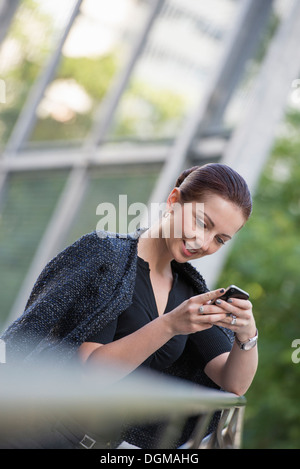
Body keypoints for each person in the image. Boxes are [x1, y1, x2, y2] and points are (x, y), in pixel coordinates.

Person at [1, 163, 258, 449]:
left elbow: (234, 383)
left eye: (220, 239)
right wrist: (170, 325)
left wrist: (247, 335)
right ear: (173, 201)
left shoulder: (188, 290)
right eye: (201, 222)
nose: (203, 242)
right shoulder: (107, 257)